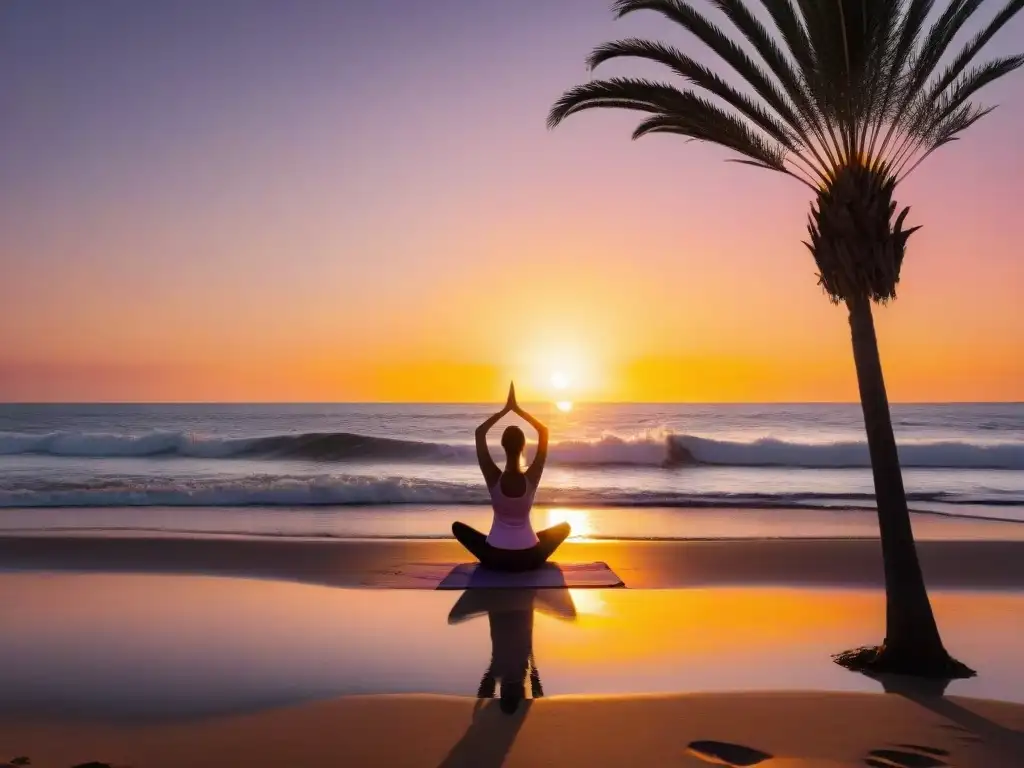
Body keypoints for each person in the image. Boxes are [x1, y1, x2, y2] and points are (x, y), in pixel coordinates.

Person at [452, 382, 570, 572]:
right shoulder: (531, 478)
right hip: (529, 558)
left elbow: (479, 433)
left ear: (503, 446)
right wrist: (518, 410)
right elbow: (544, 432)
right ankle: (526, 541)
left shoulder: (493, 477)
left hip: (495, 557)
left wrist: (505, 410)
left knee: (458, 528)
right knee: (564, 528)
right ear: (523, 446)